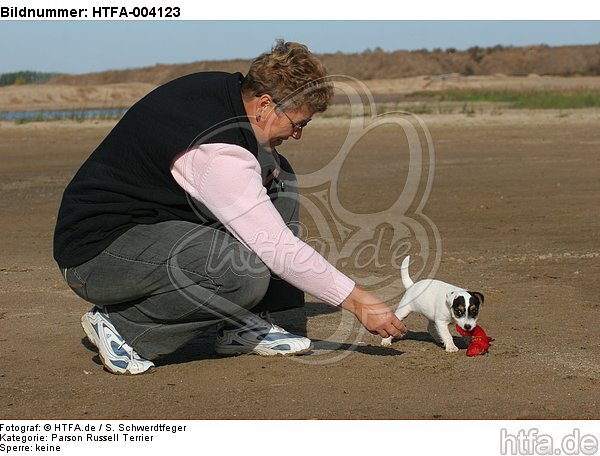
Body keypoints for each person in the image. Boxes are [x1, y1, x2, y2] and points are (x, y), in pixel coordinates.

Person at [53, 40, 406, 375]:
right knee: (241, 272)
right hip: (95, 255)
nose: (298, 135)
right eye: (297, 124)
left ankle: (253, 324)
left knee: (280, 179)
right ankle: (125, 328)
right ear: (265, 105)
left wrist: (267, 159)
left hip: (150, 224)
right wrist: (359, 301)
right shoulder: (217, 154)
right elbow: (278, 249)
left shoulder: (229, 92)